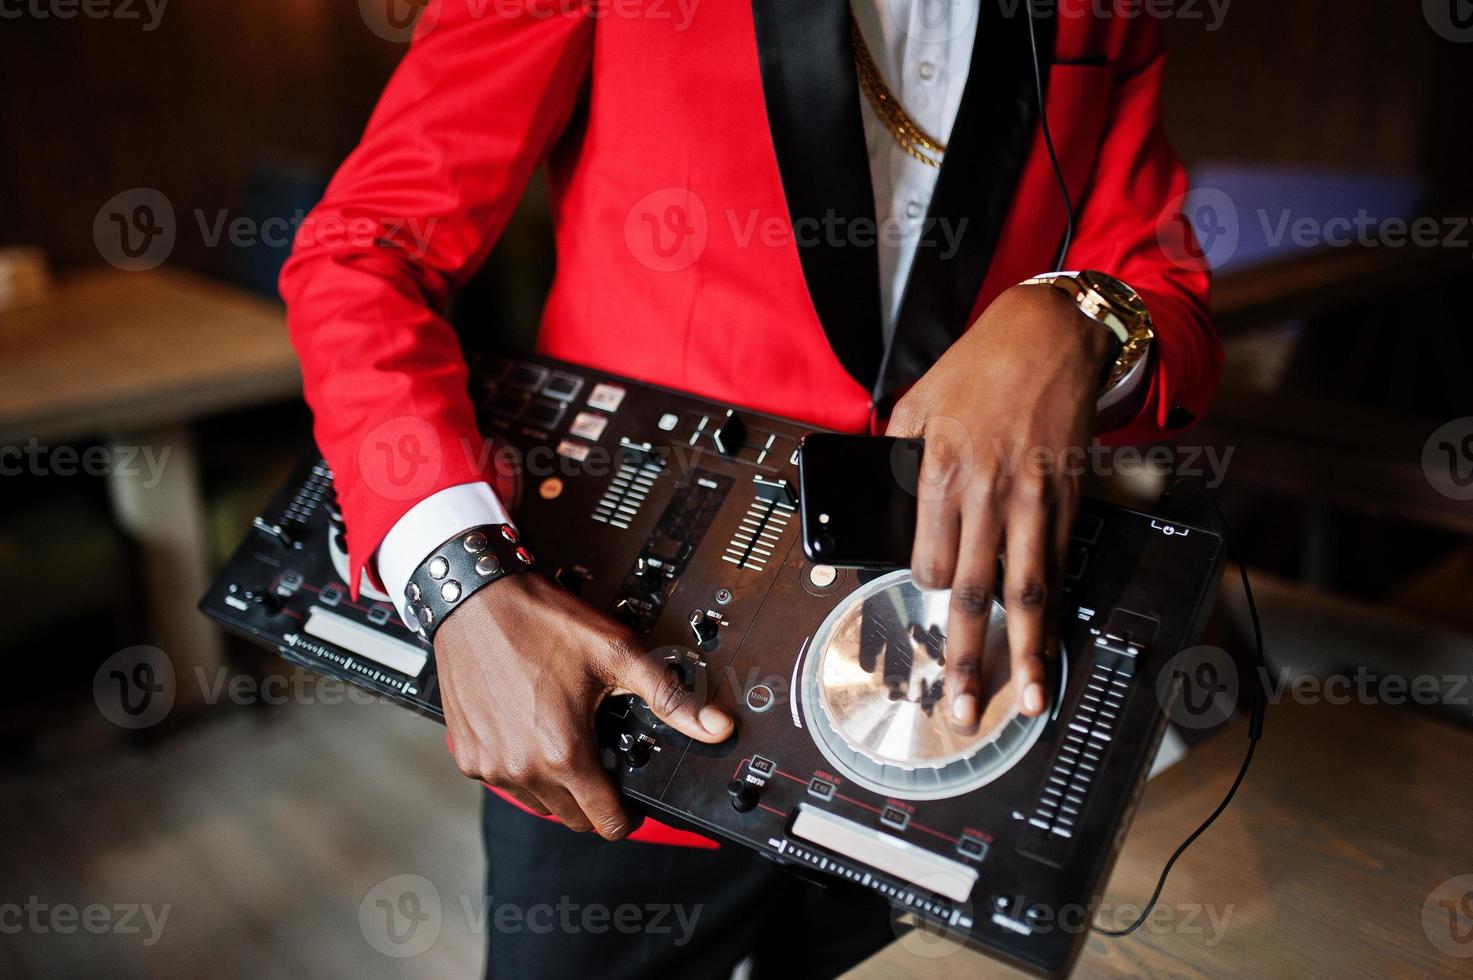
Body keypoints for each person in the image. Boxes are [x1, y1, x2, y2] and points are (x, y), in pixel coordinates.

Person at [281, 1, 1219, 975]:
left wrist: (1078, 316)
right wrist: (458, 584)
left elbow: (1170, 302)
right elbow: (365, 248)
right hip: (618, 698)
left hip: (937, 712)